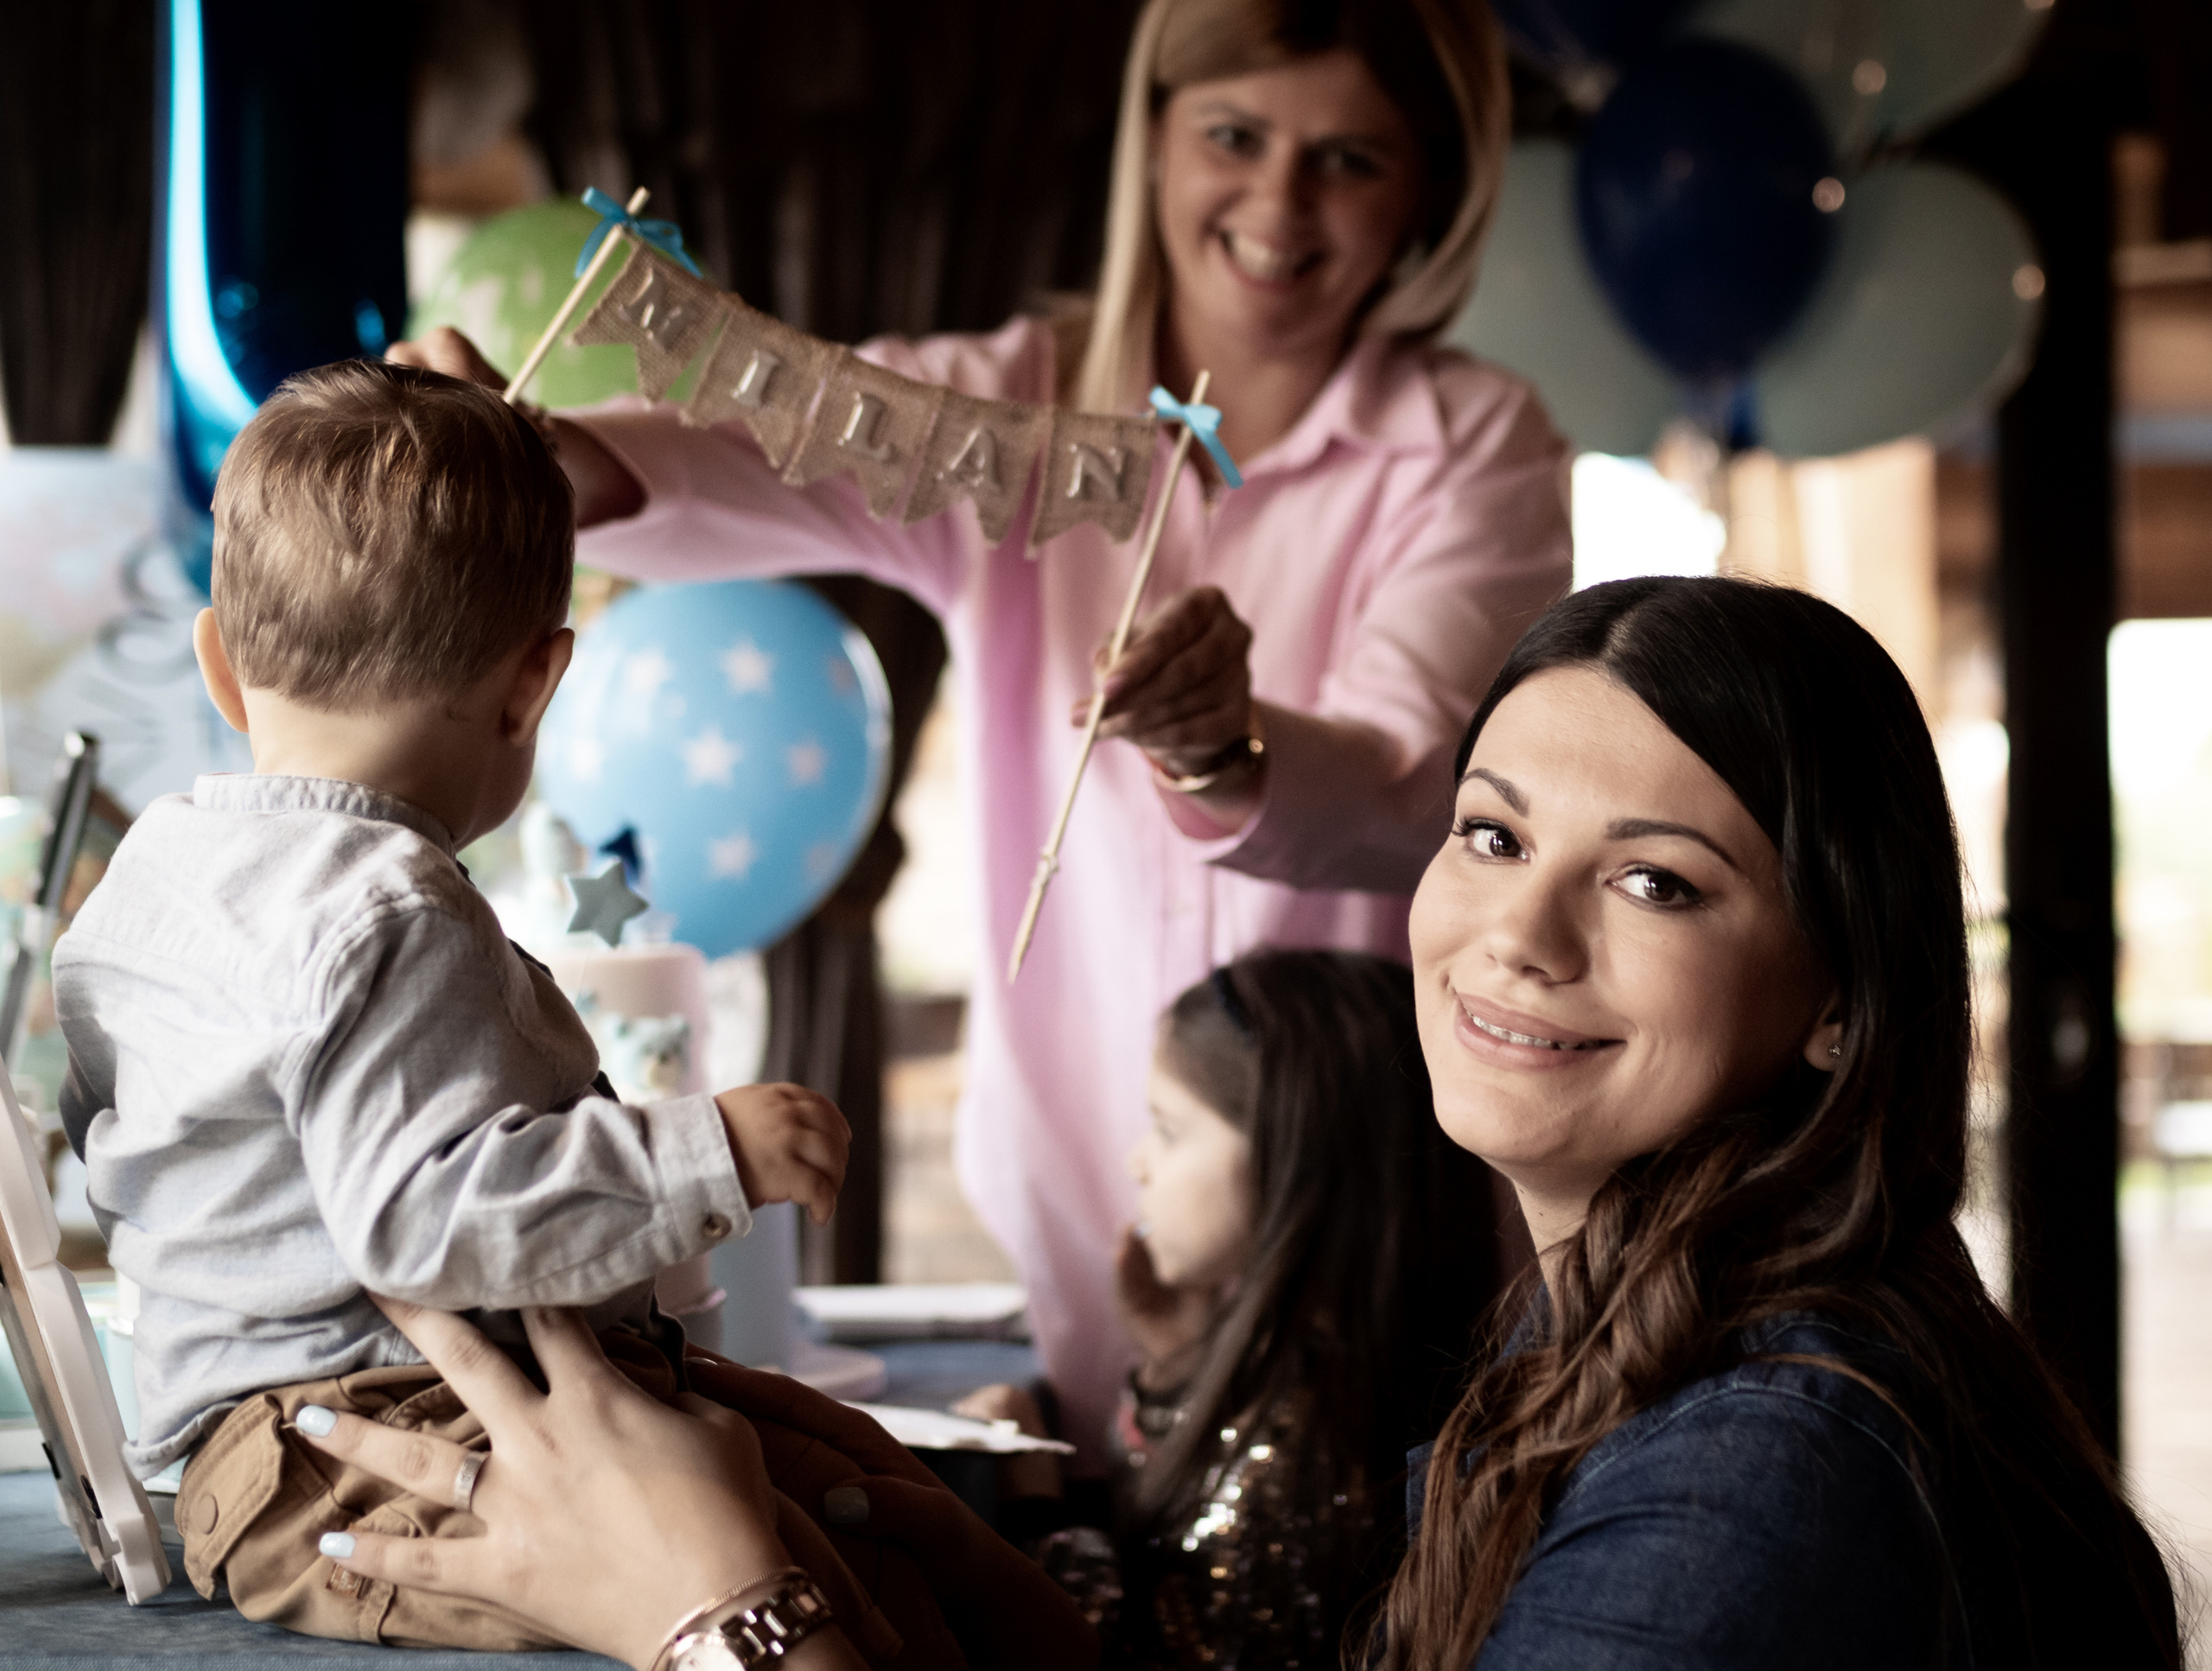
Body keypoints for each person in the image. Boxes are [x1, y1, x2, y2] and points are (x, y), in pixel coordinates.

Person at [310, 577, 2178, 1667]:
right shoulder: (1594, 1320)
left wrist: (726, 1616)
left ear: (1840, 994)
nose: (1513, 935)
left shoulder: (1772, 1460)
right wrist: (980, 1595)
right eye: (1493, 833)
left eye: (1661, 884)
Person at [392, 0, 1571, 1468]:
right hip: (1079, 1169)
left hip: (1371, 1200)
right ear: (1153, 139)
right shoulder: (1010, 396)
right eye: (1233, 136)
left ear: (1430, 191)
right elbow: (753, 462)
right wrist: (538, 461)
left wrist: (1225, 748)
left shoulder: (1476, 441)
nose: (1278, 202)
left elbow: (1420, 784)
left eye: (1348, 158)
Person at [50, 360, 854, 1649]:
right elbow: (423, 1223)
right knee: (839, 1542)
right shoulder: (394, 908)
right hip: (367, 1439)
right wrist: (704, 1151)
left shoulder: (148, 875)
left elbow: (107, 1138)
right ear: (535, 684)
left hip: (242, 1457)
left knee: (838, 1465)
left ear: (218, 662)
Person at [961, 949, 1509, 1668]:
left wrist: (1032, 1497)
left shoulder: (1302, 1449)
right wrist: (1175, 1361)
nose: (1138, 1164)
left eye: (1170, 1129)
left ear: (1294, 1159)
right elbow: (1179, 1560)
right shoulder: (1324, 1377)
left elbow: (1136, 1649)